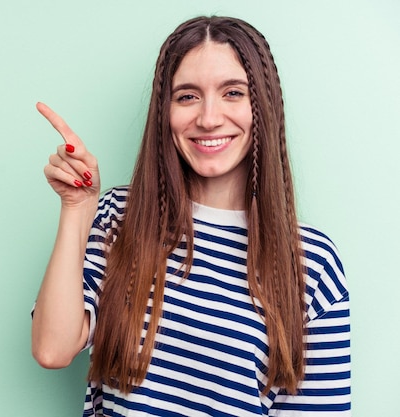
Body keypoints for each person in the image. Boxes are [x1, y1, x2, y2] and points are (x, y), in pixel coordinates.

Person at [31, 15, 350, 417]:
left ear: (262, 105)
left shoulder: (311, 263)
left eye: (233, 92)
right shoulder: (120, 217)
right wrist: (76, 209)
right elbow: (52, 348)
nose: (209, 118)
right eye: (187, 96)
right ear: (165, 111)